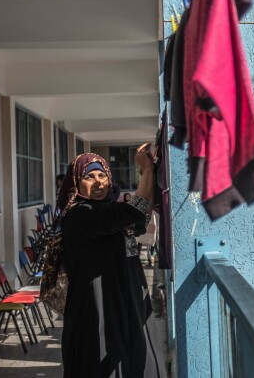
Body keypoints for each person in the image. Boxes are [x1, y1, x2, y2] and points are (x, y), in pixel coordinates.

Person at [57, 146, 160, 378]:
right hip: (97, 308)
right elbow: (134, 212)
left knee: (134, 360)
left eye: (102, 175)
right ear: (76, 182)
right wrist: (146, 171)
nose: (98, 183)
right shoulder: (79, 214)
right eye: (89, 177)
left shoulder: (110, 211)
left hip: (125, 299)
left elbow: (140, 216)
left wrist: (150, 173)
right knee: (100, 362)